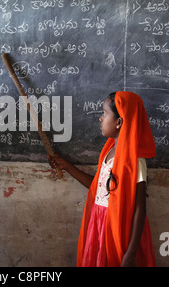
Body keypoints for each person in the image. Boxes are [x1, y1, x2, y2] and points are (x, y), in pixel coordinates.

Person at [48, 91, 156, 266]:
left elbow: (139, 209)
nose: (100, 118)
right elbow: (99, 188)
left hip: (119, 227)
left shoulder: (136, 160)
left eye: (105, 114)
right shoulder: (108, 151)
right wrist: (67, 166)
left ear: (119, 122)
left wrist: (131, 252)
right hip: (99, 222)